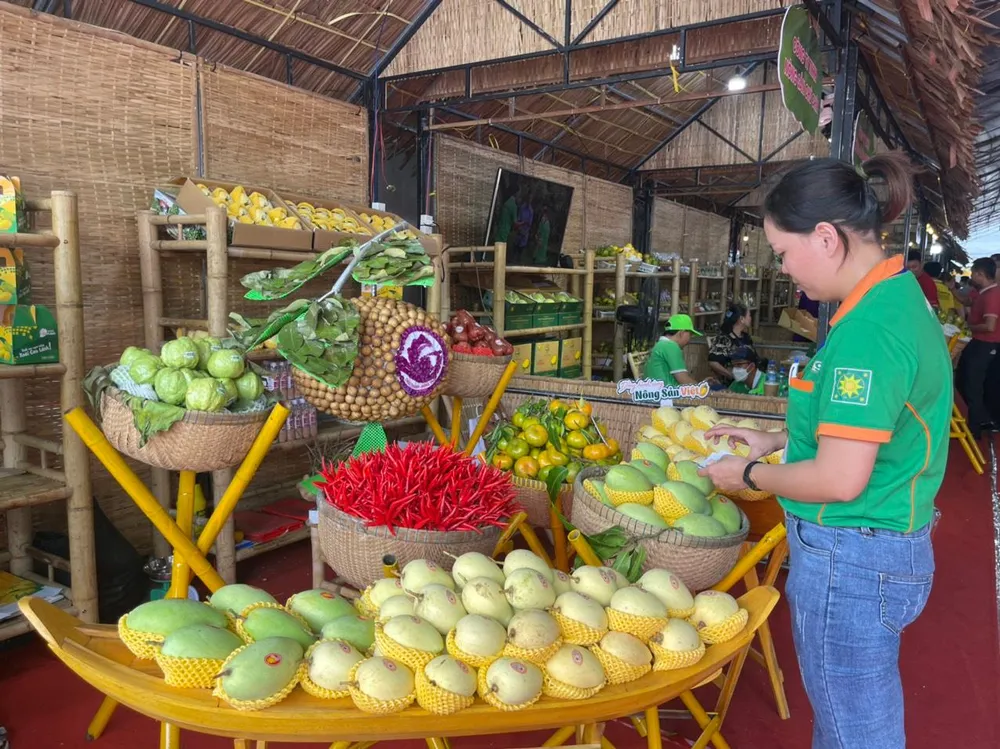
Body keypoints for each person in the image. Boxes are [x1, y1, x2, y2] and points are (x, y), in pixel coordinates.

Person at [699, 153, 951, 749]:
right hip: (874, 546)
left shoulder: (870, 330)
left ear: (826, 237)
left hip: (853, 555)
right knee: (850, 714)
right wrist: (781, 439)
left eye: (784, 253)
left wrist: (751, 474)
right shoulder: (888, 300)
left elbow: (841, 479)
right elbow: (867, 422)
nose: (785, 271)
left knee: (853, 728)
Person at [956, 257, 1000, 438]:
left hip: (985, 344)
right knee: (965, 381)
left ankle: (976, 426)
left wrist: (969, 327)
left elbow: (989, 325)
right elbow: (966, 302)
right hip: (980, 343)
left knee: (973, 385)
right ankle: (979, 420)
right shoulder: (982, 293)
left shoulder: (992, 296)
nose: (971, 276)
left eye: (973, 273)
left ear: (980, 274)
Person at [707, 303, 765, 383]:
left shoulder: (745, 337)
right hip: (735, 384)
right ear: (742, 319)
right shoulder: (724, 339)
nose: (751, 318)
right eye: (749, 315)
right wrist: (731, 375)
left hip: (752, 379)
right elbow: (713, 362)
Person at [644, 314, 702, 386]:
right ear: (682, 333)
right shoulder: (671, 347)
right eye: (690, 335)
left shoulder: (660, 345)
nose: (689, 339)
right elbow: (684, 380)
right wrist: (703, 388)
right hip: (666, 394)